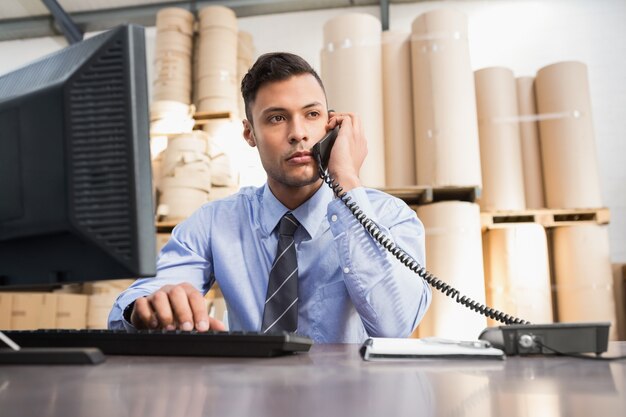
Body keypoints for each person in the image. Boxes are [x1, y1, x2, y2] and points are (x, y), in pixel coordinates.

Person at [109, 52, 431, 343]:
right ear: (250, 134)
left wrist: (347, 180)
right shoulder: (215, 223)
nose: (298, 133)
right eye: (277, 118)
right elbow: (134, 304)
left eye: (312, 115)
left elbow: (394, 326)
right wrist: (147, 308)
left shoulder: (389, 217)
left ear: (332, 125)